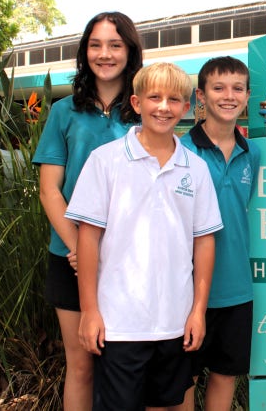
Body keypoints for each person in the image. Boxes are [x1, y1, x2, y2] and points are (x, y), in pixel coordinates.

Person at [65, 62, 222, 410]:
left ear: (186, 107)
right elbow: (87, 240)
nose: (163, 107)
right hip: (120, 324)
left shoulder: (195, 168)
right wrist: (90, 311)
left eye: (173, 99)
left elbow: (204, 241)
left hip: (174, 323)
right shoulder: (105, 161)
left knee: (165, 405)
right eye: (154, 97)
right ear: (136, 103)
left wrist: (198, 311)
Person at [33, 11, 143, 410]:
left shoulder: (144, 111)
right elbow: (50, 190)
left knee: (124, 367)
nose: (105, 53)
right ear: (85, 52)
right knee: (80, 365)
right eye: (95, 45)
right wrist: (79, 249)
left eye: (115, 45)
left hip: (129, 261)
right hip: (70, 257)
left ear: (129, 51)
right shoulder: (64, 112)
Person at [173, 56, 260, 411]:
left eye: (237, 88)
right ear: (201, 96)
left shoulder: (252, 152)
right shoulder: (180, 151)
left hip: (237, 288)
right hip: (185, 290)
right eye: (219, 88)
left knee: (226, 376)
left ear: (248, 96)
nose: (229, 96)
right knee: (184, 381)